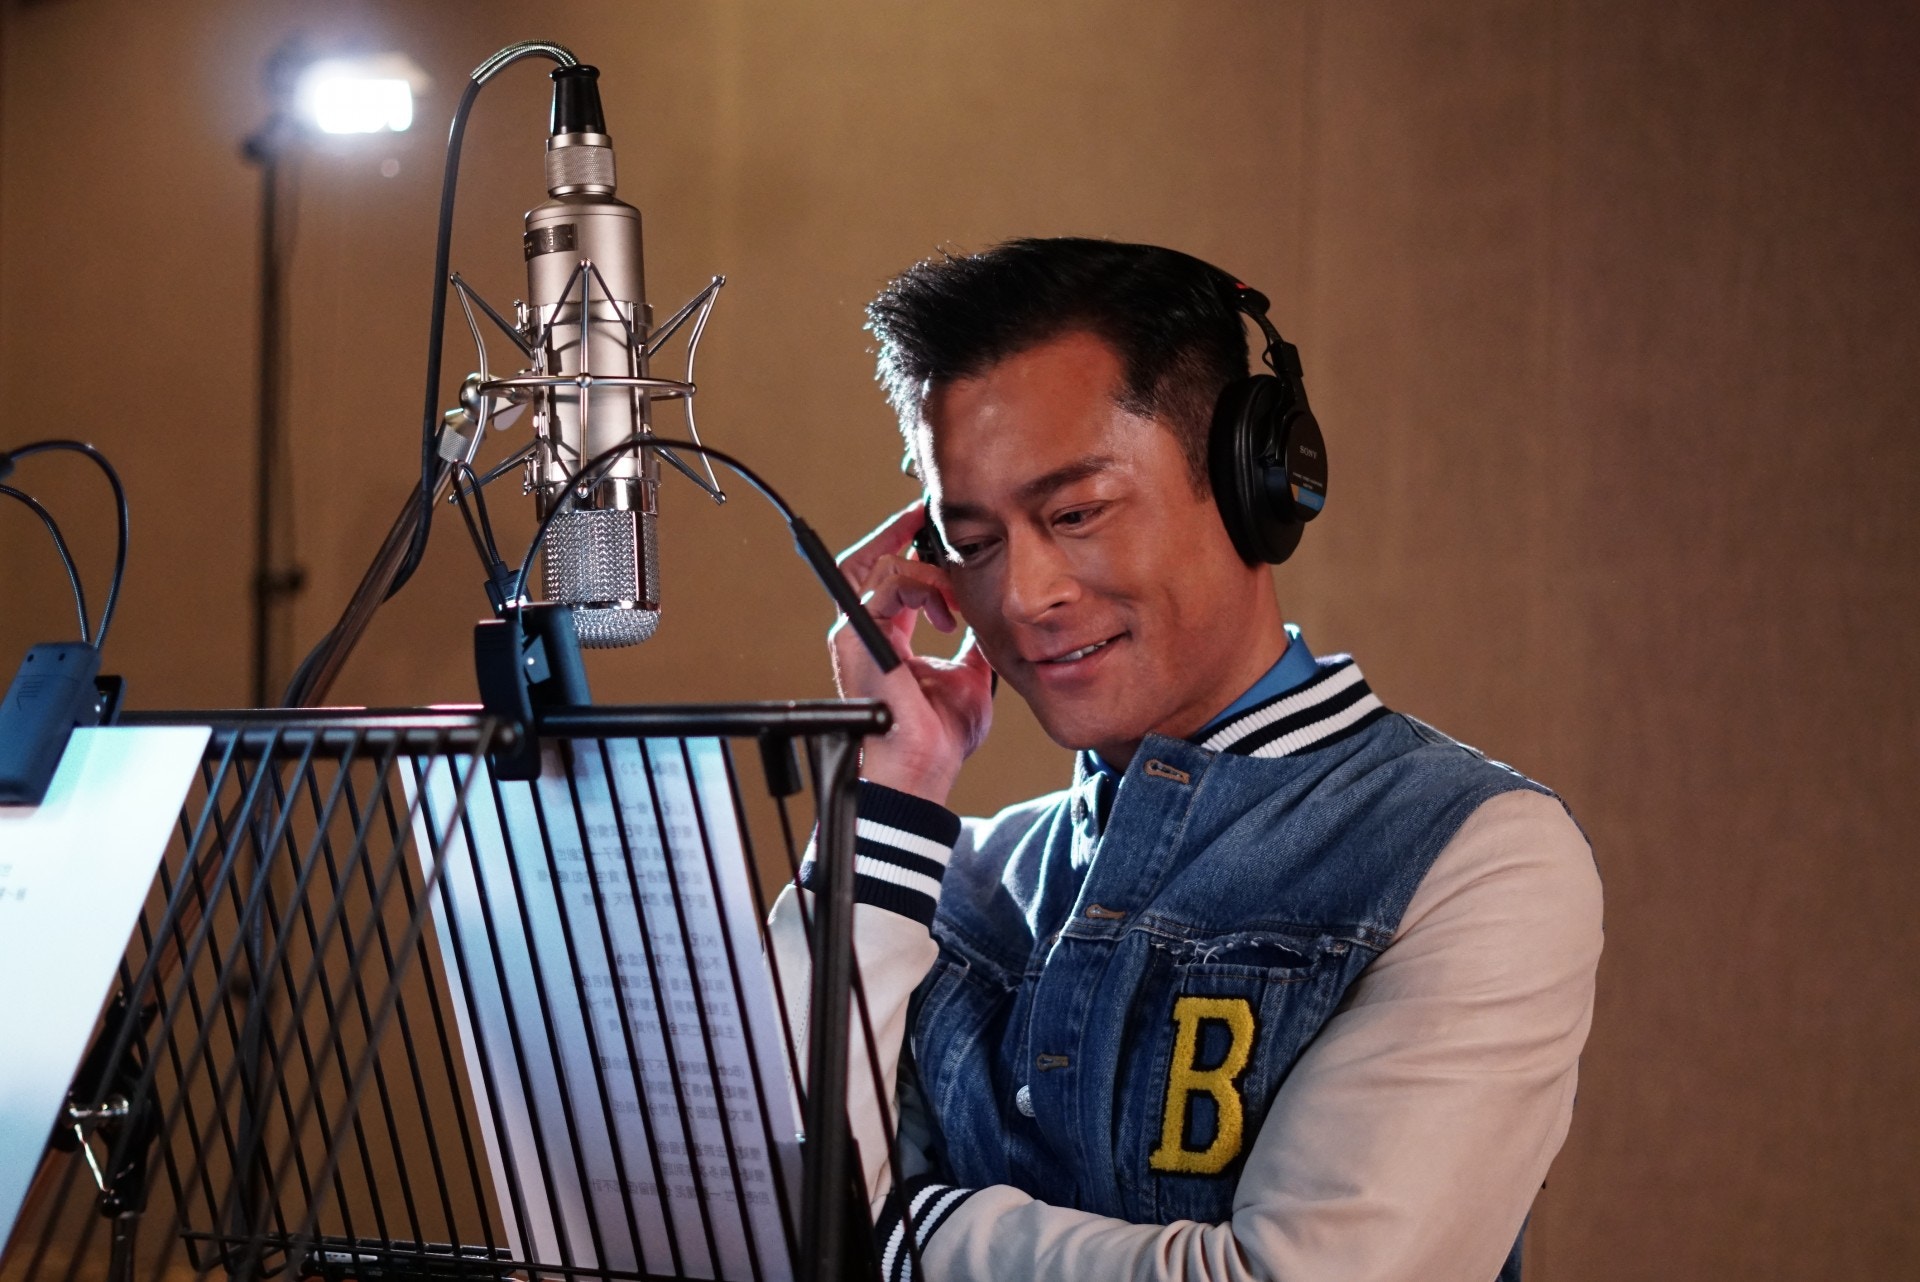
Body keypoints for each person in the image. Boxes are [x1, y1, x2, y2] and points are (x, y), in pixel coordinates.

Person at [765, 237, 1602, 1282]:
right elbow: (737, 1215)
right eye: (973, 542)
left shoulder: (1480, 856)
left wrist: (903, 1242)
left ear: (1254, 481)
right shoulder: (946, 885)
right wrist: (886, 804)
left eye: (1076, 514)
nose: (1022, 595)